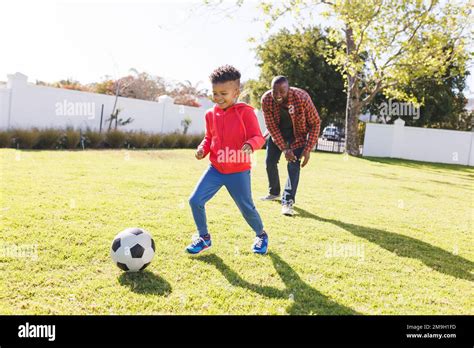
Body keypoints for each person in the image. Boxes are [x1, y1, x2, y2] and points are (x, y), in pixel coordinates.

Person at [186, 65, 268, 255]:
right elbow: (209, 138)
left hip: (238, 171)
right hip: (215, 169)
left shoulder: (246, 112)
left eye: (224, 93)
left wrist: (250, 144)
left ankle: (261, 234)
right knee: (195, 200)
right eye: (215, 93)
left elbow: (258, 137)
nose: (218, 97)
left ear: (236, 92)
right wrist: (202, 149)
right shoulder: (210, 114)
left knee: (246, 208)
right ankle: (204, 237)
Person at [260, 76, 321, 216]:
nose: (278, 95)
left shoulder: (302, 97)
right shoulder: (266, 99)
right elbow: (271, 126)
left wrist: (308, 149)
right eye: (275, 91)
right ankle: (274, 192)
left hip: (297, 136)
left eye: (282, 91)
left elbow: (315, 123)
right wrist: (284, 148)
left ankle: (287, 202)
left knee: (293, 165)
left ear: (288, 88)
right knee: (270, 162)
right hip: (278, 133)